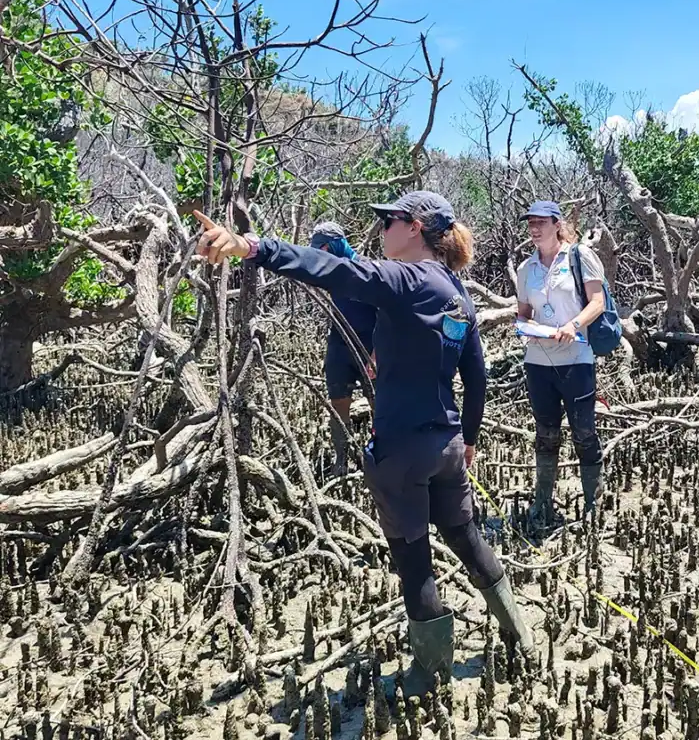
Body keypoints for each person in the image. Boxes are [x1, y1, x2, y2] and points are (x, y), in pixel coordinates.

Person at [193, 191, 533, 696]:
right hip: (445, 445)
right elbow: (476, 377)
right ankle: (519, 636)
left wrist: (251, 246)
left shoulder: (404, 279)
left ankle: (429, 673)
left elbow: (334, 271)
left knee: (413, 558)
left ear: (414, 227)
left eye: (388, 221)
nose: (380, 230)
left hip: (399, 449)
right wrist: (470, 440)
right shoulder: (456, 293)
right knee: (465, 538)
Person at [515, 200, 607, 524]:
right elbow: (523, 314)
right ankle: (542, 503)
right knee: (546, 433)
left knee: (584, 432)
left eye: (541, 222)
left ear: (557, 224)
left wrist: (573, 325)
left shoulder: (580, 256)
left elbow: (598, 302)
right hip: (538, 362)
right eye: (531, 223)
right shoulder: (526, 269)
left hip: (577, 359)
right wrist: (524, 329)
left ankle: (593, 506)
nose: (535, 228)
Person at [308, 221, 378, 477]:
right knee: (338, 403)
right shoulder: (330, 272)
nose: (321, 253)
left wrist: (377, 353)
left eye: (324, 247)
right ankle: (341, 461)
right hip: (339, 344)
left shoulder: (367, 270)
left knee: (378, 404)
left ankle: (379, 457)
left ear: (336, 244)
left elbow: (385, 315)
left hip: (369, 346)